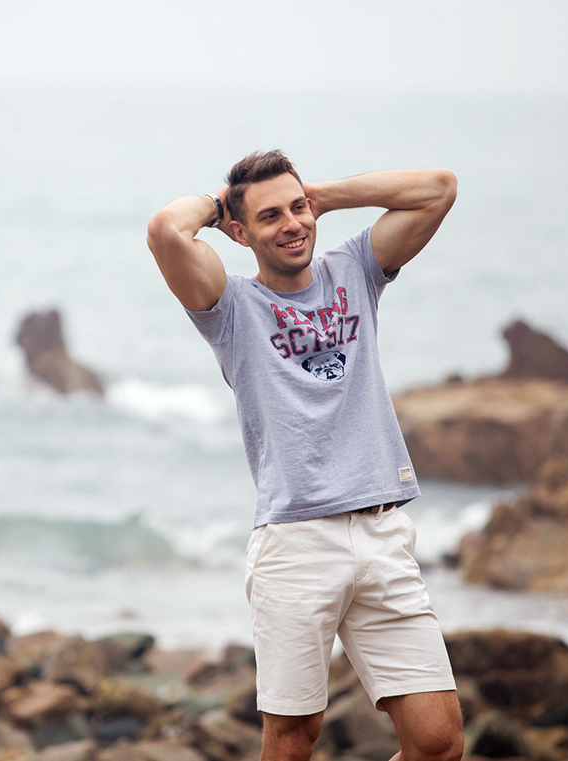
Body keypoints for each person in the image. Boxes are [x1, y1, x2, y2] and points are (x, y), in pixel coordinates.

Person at [146, 150, 462, 761]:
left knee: (438, 742)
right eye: (270, 216)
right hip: (295, 544)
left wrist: (321, 196)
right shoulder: (231, 309)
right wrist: (221, 204)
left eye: (298, 210)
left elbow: (438, 188)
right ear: (240, 234)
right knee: (293, 740)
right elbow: (166, 230)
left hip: (382, 531)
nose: (292, 224)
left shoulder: (355, 270)